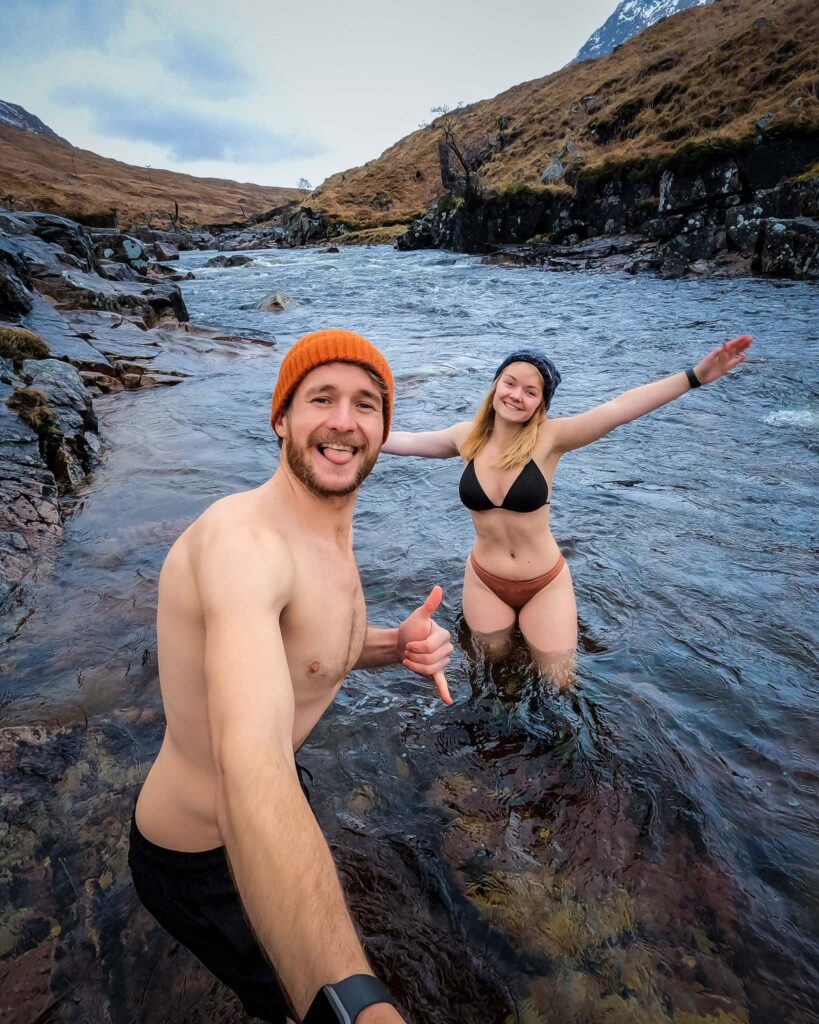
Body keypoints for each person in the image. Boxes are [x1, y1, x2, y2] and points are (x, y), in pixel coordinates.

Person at [129, 329, 454, 1024]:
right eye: (321, 399)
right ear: (280, 418)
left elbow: (307, 649)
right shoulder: (242, 544)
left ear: (383, 429)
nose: (344, 420)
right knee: (282, 1004)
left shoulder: (320, 531)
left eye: (366, 404)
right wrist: (352, 1001)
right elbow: (248, 759)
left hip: (271, 792)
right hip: (199, 857)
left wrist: (394, 645)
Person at [382, 335, 752, 687]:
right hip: (484, 581)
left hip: (544, 583)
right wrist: (345, 431)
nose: (516, 395)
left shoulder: (551, 439)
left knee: (560, 682)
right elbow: (406, 441)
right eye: (510, 383)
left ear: (542, 403)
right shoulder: (466, 437)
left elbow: (619, 409)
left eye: (531, 391)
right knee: (491, 669)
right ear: (495, 383)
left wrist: (695, 377)